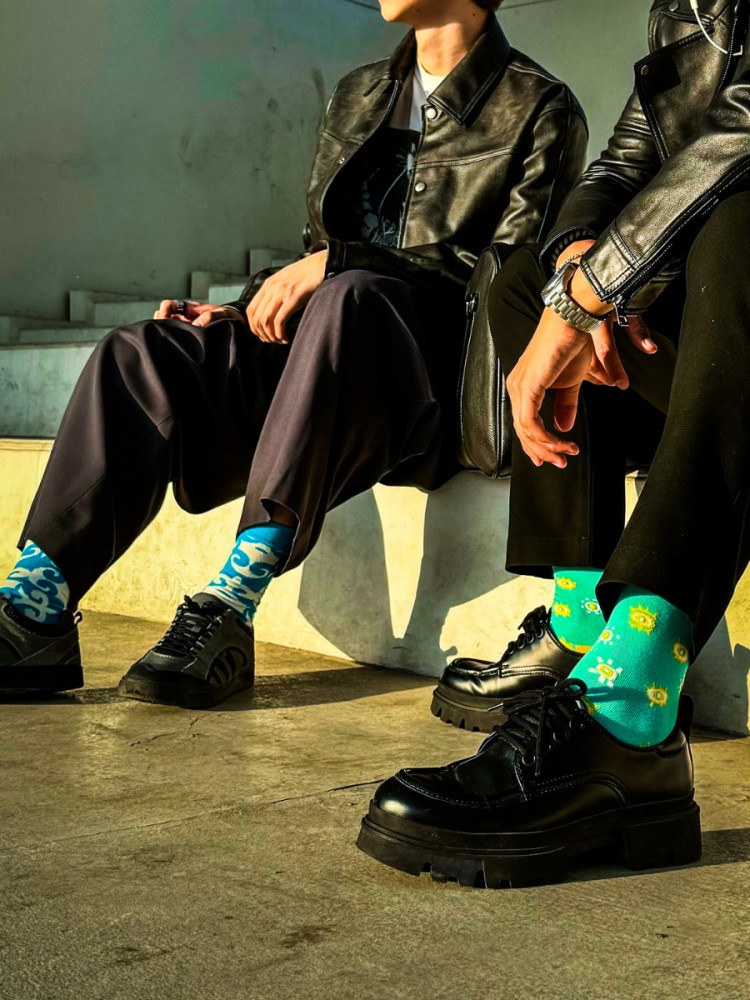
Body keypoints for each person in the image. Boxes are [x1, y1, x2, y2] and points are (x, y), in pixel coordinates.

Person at [0, 0, 586, 708]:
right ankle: (33, 610)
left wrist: (342, 265)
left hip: (429, 381)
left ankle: (229, 604)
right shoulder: (360, 92)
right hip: (332, 351)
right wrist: (245, 308)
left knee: (350, 298)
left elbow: (504, 280)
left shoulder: (540, 105)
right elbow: (318, 253)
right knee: (143, 353)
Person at [359, 0, 750, 887]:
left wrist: (594, 295)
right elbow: (621, 166)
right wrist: (578, 265)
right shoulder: (685, 11)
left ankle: (631, 704)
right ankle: (582, 619)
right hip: (715, 337)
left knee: (742, 228)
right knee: (526, 277)